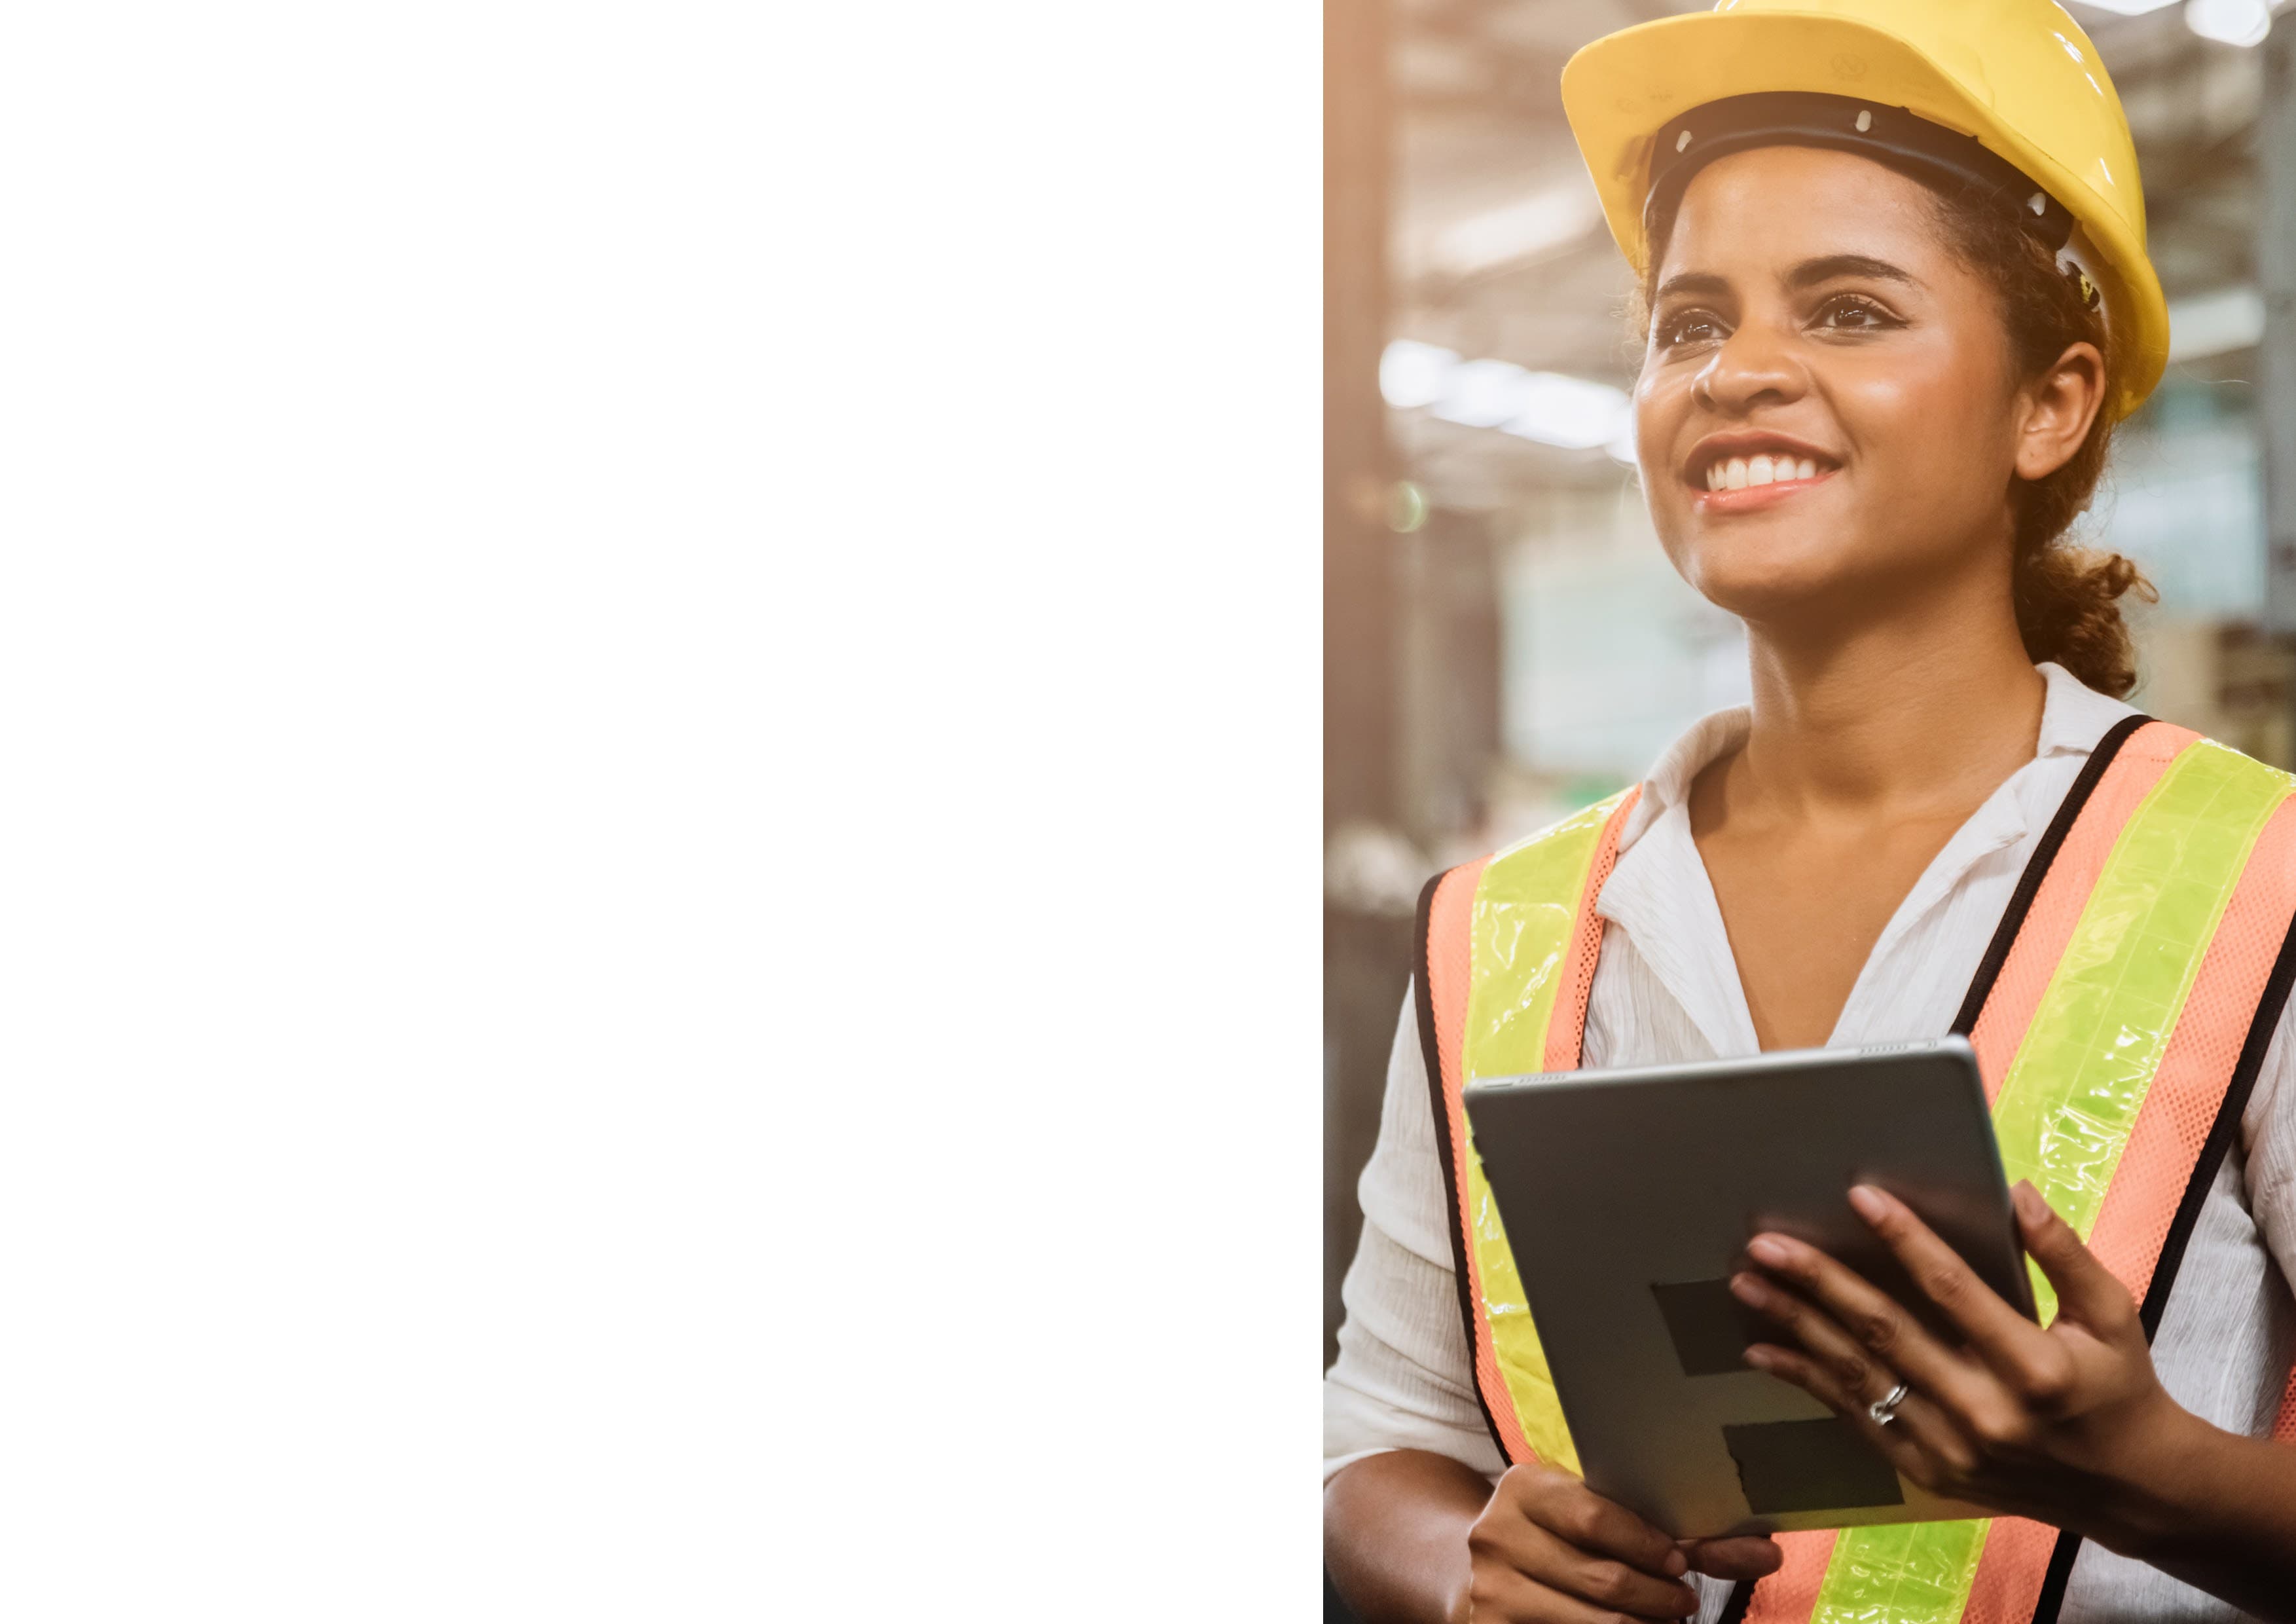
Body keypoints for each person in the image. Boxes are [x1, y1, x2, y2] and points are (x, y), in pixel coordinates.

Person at [1321, 3, 2296, 1622]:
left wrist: (2145, 1471)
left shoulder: (2257, 879)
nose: (1738, 373)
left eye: (1847, 309)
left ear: (2047, 405)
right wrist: (1464, 1565)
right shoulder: (1496, 929)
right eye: (1685, 323)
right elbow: (1377, 1434)